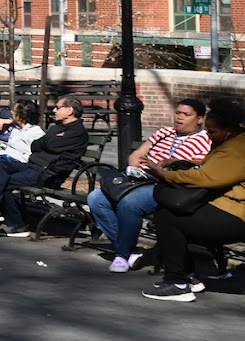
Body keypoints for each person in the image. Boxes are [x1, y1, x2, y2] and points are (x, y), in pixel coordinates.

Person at [141, 95, 245, 300]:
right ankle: (187, 277)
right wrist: (182, 161)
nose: (208, 135)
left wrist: (164, 174)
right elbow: (212, 168)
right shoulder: (243, 138)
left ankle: (177, 283)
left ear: (228, 130)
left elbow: (205, 177)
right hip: (238, 208)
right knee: (176, 214)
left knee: (168, 218)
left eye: (212, 132)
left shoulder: (236, 151)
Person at [88, 97, 211, 271]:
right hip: (140, 179)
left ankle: (122, 255)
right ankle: (131, 251)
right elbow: (138, 153)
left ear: (199, 119)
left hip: (167, 185)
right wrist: (133, 166)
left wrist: (161, 169)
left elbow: (195, 167)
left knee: (130, 203)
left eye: (186, 114)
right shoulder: (165, 132)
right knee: (96, 198)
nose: (179, 118)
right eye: (178, 113)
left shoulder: (205, 140)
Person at [0, 96, 88, 237]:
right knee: (1, 165)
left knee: (5, 183)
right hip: (34, 166)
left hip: (50, 174)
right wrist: (46, 143)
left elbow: (48, 144)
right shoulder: (57, 127)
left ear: (70, 110)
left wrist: (46, 144)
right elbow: (36, 145)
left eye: (58, 107)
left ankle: (17, 224)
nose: (54, 110)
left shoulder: (77, 132)